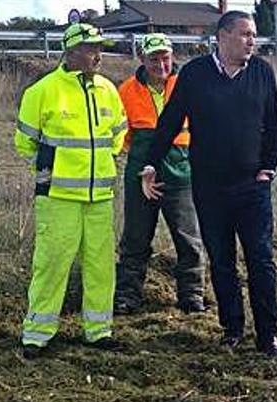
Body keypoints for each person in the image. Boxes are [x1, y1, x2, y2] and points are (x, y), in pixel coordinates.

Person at [143, 11, 277, 358]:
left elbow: (275, 126)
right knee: (222, 260)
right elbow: (170, 121)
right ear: (221, 36)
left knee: (261, 260)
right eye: (244, 34)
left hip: (252, 186)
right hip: (210, 188)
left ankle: (269, 336)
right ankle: (232, 328)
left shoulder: (262, 72)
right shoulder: (194, 75)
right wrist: (151, 162)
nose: (252, 41)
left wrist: (268, 167)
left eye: (254, 35)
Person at [15, 22, 128, 359]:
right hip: (59, 198)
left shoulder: (108, 89)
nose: (99, 54)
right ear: (71, 51)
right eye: (92, 48)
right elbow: (25, 142)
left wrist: (104, 164)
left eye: (100, 47)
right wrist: (51, 171)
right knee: (51, 264)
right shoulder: (42, 91)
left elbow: (119, 135)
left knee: (101, 266)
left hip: (100, 199)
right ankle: (36, 334)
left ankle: (98, 331)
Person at [114, 33, 205, 316]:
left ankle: (192, 296)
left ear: (172, 56)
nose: (161, 64)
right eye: (154, 58)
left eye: (165, 57)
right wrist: (143, 164)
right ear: (142, 59)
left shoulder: (187, 84)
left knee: (188, 238)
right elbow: (122, 136)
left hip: (181, 169)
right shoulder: (126, 90)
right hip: (140, 169)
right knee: (135, 238)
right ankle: (128, 297)